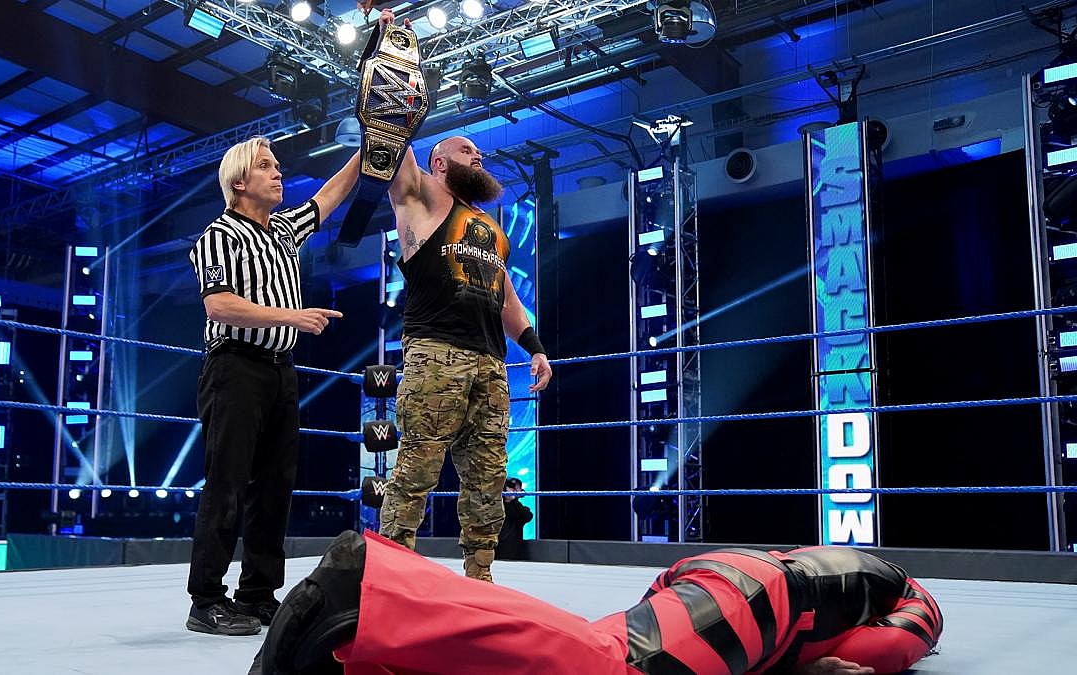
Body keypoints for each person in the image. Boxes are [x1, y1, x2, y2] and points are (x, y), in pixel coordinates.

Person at [374, 8, 552, 580]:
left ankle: (480, 577)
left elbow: (506, 299)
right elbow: (389, 134)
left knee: (487, 478)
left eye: (480, 153)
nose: (480, 157)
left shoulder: (491, 228)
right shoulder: (421, 200)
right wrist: (387, 47)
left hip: (490, 363)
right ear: (440, 162)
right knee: (417, 469)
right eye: (468, 151)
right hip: (435, 352)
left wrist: (535, 347)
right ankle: (391, 578)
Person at [250, 530, 942, 675]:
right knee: (620, 667)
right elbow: (888, 646)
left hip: (724, 575)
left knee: (581, 653)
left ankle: (356, 655)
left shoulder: (847, 564)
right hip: (762, 596)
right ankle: (364, 590)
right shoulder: (913, 598)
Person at [185, 136, 360, 635]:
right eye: (266, 166)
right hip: (235, 367)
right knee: (227, 482)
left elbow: (328, 197)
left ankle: (258, 593)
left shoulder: (282, 230)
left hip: (280, 370)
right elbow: (218, 305)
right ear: (240, 182)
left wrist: (371, 148)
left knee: (275, 486)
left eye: (277, 166)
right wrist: (293, 316)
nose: (278, 173)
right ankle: (206, 599)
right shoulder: (219, 235)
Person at [495, 477, 533, 561]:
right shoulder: (496, 506)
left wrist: (512, 500)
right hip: (495, 549)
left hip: (513, 550)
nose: (513, 490)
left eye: (516, 489)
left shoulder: (518, 508)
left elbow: (528, 516)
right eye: (511, 488)